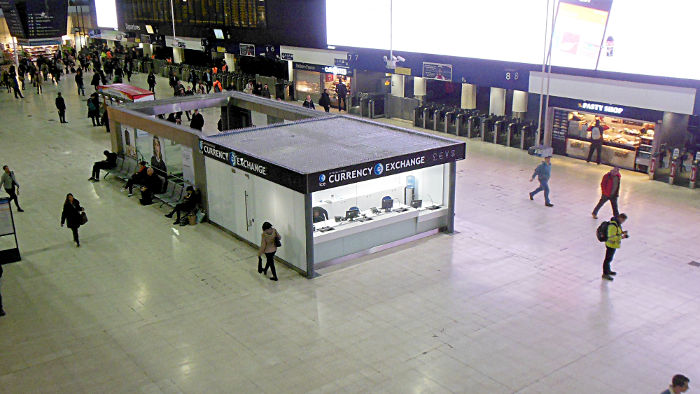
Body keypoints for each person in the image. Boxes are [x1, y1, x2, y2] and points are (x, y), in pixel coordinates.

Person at [601, 213, 628, 281]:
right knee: (607, 259)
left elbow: (616, 232)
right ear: (620, 218)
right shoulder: (613, 225)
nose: (623, 222)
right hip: (611, 245)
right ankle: (605, 274)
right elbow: (611, 237)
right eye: (623, 220)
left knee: (609, 259)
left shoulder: (617, 224)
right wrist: (621, 237)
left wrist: (622, 233)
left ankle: (608, 270)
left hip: (613, 245)